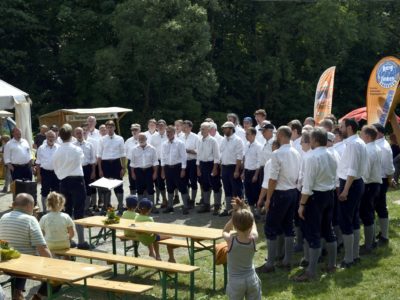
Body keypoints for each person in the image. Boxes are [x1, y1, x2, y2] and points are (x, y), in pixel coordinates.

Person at [256, 126, 301, 273]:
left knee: (270, 227)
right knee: (288, 226)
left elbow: (272, 179)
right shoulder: (296, 152)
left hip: (280, 193)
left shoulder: (277, 154)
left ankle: (270, 263)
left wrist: (268, 199)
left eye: (277, 135)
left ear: (281, 135)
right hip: (292, 192)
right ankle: (287, 260)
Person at [295, 128, 337, 281]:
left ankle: (311, 272)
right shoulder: (332, 154)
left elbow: (308, 184)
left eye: (310, 139)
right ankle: (332, 265)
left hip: (315, 197)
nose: (309, 141)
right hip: (329, 194)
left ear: (315, 140)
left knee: (313, 233)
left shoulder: (311, 157)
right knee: (328, 229)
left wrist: (302, 204)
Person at [0, 193, 52, 300]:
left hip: (5, 263)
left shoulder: (4, 217)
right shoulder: (30, 220)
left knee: (20, 253)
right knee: (56, 275)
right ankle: (38, 296)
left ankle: (18, 292)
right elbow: (42, 248)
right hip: (24, 266)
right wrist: (52, 264)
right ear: (29, 206)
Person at [52, 123, 90, 250]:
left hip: (64, 181)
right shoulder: (76, 149)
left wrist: (62, 174)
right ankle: (81, 241)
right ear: (71, 135)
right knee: (79, 210)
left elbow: (55, 166)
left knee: (66, 210)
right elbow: (82, 161)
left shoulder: (57, 150)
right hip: (77, 180)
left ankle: (69, 239)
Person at [337, 118, 367, 268]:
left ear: (349, 128)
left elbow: (352, 169)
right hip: (355, 183)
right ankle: (354, 255)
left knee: (346, 220)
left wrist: (345, 190)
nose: (340, 129)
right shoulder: (357, 142)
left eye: (341, 127)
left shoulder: (354, 144)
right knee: (353, 219)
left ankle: (349, 258)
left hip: (351, 184)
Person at [223, 198, 261, 300]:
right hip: (252, 279)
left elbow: (225, 230)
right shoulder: (253, 238)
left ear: (235, 225)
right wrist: (245, 210)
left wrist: (235, 216)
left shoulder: (231, 240)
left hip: (236, 282)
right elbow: (252, 224)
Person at [359, 125, 382, 253]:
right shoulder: (376, 147)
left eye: (361, 133)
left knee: (366, 214)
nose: (360, 135)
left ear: (367, 136)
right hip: (375, 184)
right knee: (370, 213)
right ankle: (371, 241)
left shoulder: (368, 150)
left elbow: (365, 173)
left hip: (368, 185)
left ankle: (369, 245)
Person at [373, 123, 395, 246]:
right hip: (377, 179)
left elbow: (389, 168)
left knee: (380, 207)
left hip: (381, 180)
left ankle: (384, 236)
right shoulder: (378, 144)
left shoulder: (384, 146)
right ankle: (381, 233)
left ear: (380, 132)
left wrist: (390, 179)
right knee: (378, 207)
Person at [98, 120, 126, 214]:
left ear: (114, 128)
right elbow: (99, 155)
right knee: (105, 186)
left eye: (111, 127)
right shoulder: (102, 139)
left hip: (116, 163)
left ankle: (121, 207)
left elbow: (123, 154)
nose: (109, 129)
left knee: (118, 186)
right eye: (108, 127)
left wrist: (124, 167)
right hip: (105, 164)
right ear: (106, 128)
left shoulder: (120, 139)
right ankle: (106, 207)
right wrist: (100, 169)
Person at [161, 125, 190, 214]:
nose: (168, 133)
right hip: (167, 168)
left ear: (174, 132)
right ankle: (170, 206)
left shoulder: (180, 143)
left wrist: (183, 169)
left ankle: (185, 206)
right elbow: (162, 158)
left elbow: (184, 157)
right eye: (167, 132)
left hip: (178, 168)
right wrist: (162, 170)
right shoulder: (164, 144)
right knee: (169, 187)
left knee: (182, 187)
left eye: (170, 132)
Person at [219, 122, 244, 217]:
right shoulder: (223, 140)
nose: (224, 130)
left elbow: (239, 156)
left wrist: (237, 170)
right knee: (227, 188)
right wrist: (221, 168)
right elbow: (221, 154)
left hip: (234, 167)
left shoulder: (238, 140)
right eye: (223, 128)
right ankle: (228, 209)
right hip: (225, 167)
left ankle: (239, 210)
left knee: (237, 189)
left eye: (226, 128)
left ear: (231, 129)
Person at [197, 122, 222, 214]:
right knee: (205, 185)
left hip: (211, 165)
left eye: (203, 129)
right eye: (201, 128)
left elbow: (217, 156)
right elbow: (198, 155)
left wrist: (215, 168)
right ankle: (206, 205)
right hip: (202, 165)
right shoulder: (199, 140)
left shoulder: (213, 141)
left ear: (208, 129)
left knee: (216, 185)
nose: (201, 130)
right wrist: (198, 168)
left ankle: (217, 206)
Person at [130, 133, 158, 209]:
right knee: (139, 189)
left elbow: (155, 162)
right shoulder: (134, 149)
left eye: (143, 138)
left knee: (150, 188)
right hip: (138, 171)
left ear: (146, 139)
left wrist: (155, 172)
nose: (141, 140)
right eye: (140, 139)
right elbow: (132, 163)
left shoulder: (152, 148)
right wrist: (132, 173)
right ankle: (140, 207)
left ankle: (152, 207)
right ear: (138, 139)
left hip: (149, 170)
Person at [74, 127, 97, 216]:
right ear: (75, 134)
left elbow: (93, 159)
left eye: (81, 133)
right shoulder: (73, 145)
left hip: (87, 168)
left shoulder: (89, 145)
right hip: (76, 169)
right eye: (77, 133)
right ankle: (78, 208)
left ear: (84, 133)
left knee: (88, 189)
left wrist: (93, 171)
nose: (80, 135)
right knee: (77, 189)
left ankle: (86, 208)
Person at [35, 130, 60, 213]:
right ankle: (45, 211)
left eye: (52, 137)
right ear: (46, 137)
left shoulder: (59, 147)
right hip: (45, 172)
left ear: (55, 137)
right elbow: (38, 162)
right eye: (49, 136)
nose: (51, 138)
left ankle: (55, 210)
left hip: (56, 173)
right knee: (44, 192)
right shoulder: (41, 148)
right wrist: (38, 175)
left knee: (56, 192)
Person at [242, 127, 262, 216]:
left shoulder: (258, 146)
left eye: (248, 134)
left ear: (254, 135)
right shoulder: (246, 144)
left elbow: (259, 161)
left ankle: (258, 211)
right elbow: (245, 158)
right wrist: (243, 172)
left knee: (256, 192)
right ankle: (251, 211)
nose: (246, 136)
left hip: (254, 172)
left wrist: (256, 175)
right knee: (248, 192)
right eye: (245, 134)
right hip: (247, 171)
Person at [181, 120, 200, 208]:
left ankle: (193, 200)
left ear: (190, 127)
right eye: (183, 126)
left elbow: (198, 151)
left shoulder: (195, 137)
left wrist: (187, 150)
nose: (183, 128)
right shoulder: (180, 137)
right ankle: (187, 199)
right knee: (184, 181)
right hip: (183, 162)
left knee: (193, 181)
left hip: (192, 162)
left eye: (185, 127)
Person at [150, 119, 168, 206]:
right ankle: (164, 199)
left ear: (165, 126)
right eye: (159, 125)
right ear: (157, 127)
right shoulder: (153, 136)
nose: (161, 127)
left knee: (170, 181)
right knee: (159, 181)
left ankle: (173, 199)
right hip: (157, 161)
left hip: (168, 161)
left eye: (162, 125)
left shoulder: (169, 135)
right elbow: (151, 150)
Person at [125, 123, 141, 195]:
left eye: (136, 130)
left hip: (141, 163)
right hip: (131, 163)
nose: (134, 131)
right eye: (132, 130)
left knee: (142, 181)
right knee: (132, 181)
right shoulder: (128, 141)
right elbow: (124, 153)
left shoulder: (144, 139)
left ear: (139, 130)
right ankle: (133, 200)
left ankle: (143, 200)